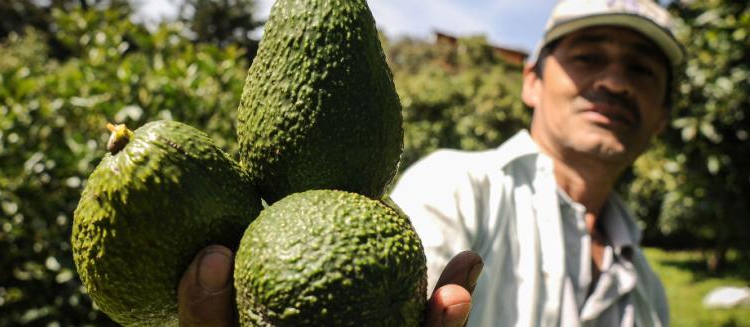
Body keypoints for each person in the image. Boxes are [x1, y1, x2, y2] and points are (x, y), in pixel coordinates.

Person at [176, 0, 684, 325]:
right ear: (531, 80)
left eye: (640, 69)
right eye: (589, 57)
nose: (615, 82)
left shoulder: (648, 287)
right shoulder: (457, 186)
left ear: (663, 115)